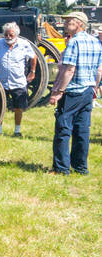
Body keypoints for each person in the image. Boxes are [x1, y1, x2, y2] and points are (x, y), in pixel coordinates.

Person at [47, 9, 102, 174]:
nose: (64, 24)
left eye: (68, 21)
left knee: (63, 128)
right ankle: (80, 167)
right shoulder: (95, 42)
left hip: (72, 91)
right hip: (87, 91)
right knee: (82, 130)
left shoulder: (74, 42)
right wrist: (95, 87)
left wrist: (59, 91)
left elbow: (69, 70)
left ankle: (61, 168)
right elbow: (99, 70)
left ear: (79, 24)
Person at [0, 22, 37, 137]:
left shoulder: (24, 44)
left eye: (11, 35)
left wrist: (32, 72)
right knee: (0, 106)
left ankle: (17, 130)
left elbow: (33, 56)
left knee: (18, 108)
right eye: (6, 35)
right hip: (1, 82)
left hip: (18, 82)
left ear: (16, 35)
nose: (8, 37)